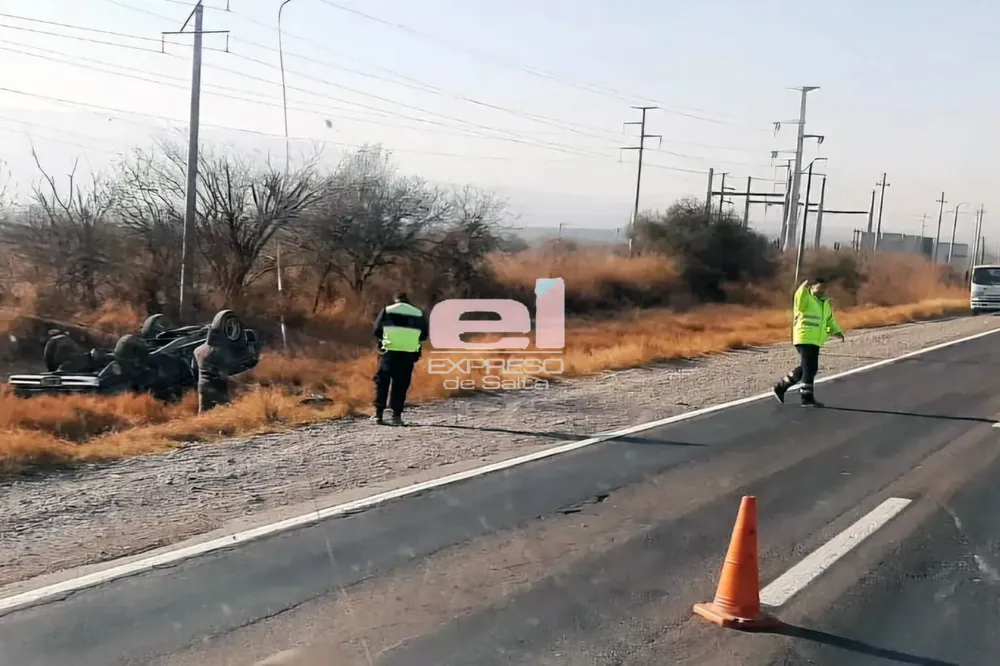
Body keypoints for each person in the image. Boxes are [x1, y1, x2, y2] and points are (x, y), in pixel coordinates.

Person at [773, 276, 845, 407]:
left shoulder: (824, 303)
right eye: (820, 287)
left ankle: (782, 386)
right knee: (809, 367)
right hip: (804, 336)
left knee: (809, 367)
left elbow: (829, 320)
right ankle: (806, 398)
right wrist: (804, 284)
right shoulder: (805, 299)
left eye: (825, 288)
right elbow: (799, 295)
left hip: (816, 339)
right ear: (811, 287)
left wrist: (837, 331)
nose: (823, 290)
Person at [371, 292, 429, 425]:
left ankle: (379, 414)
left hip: (389, 351)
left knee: (382, 382)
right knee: (401, 384)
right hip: (408, 353)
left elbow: (376, 331)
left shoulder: (388, 310)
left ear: (396, 300)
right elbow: (424, 335)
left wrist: (385, 338)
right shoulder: (418, 313)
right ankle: (396, 416)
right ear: (408, 301)